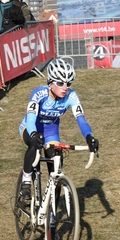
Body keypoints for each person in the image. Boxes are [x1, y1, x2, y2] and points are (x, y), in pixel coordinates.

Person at [19, 58, 99, 201]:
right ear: (50, 83)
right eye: (60, 83)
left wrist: (89, 136)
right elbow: (30, 119)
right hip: (31, 127)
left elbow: (81, 119)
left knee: (55, 173)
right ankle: (26, 182)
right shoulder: (38, 94)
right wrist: (33, 133)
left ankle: (51, 219)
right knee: (33, 143)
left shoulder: (71, 96)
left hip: (50, 132)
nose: (65, 87)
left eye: (68, 83)